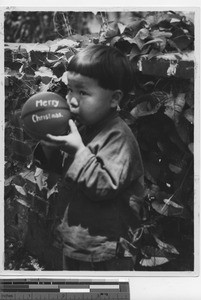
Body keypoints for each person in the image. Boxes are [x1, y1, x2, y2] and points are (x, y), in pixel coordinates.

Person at [34, 44, 144, 271]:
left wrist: (78, 151)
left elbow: (104, 186)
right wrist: (49, 146)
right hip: (78, 241)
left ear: (114, 98)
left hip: (104, 249)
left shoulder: (119, 137)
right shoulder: (83, 128)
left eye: (83, 92)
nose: (72, 100)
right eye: (70, 90)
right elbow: (62, 169)